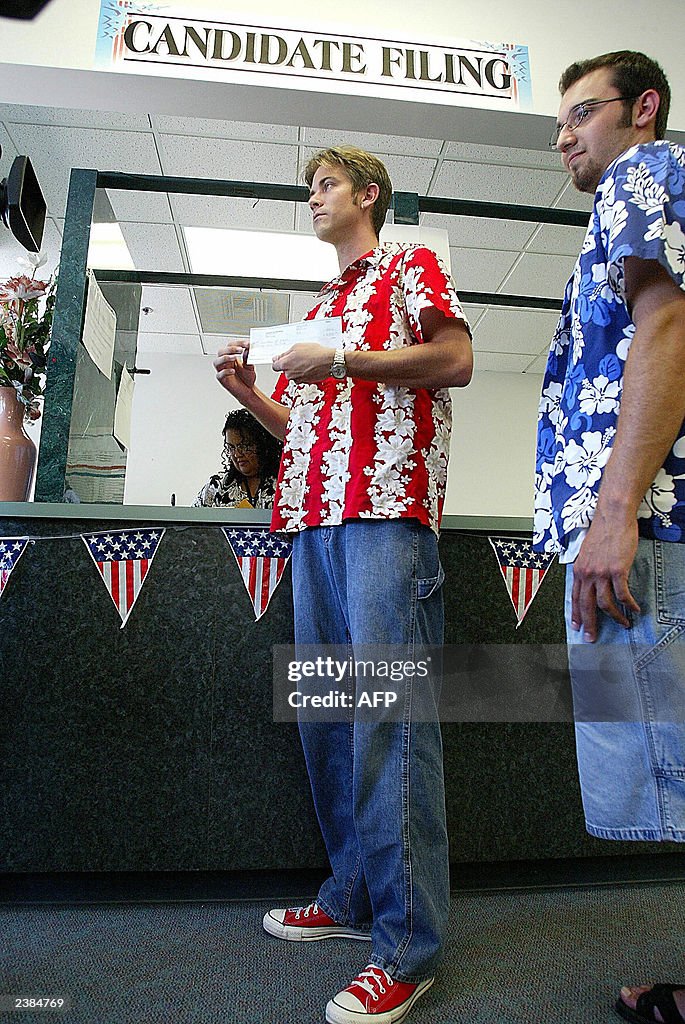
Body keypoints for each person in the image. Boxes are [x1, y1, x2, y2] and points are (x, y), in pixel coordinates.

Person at [214, 145, 472, 1024]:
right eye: (309, 188)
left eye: (325, 185)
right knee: (327, 721)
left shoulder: (410, 263)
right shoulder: (317, 309)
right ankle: (351, 894)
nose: (313, 198)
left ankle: (407, 949)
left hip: (383, 518)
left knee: (388, 726)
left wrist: (349, 363)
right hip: (311, 521)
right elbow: (315, 428)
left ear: (367, 195)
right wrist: (254, 396)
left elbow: (455, 358)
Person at [534, 51, 685, 1024]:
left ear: (642, 108)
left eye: (581, 113)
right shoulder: (628, 195)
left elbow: (668, 328)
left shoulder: (643, 173)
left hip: (650, 526)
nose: (563, 137)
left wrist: (614, 508)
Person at [193, 408, 281, 508]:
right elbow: (192, 520)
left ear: (262, 445)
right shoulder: (216, 486)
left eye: (244, 446)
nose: (237, 454)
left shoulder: (283, 485)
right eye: (231, 447)